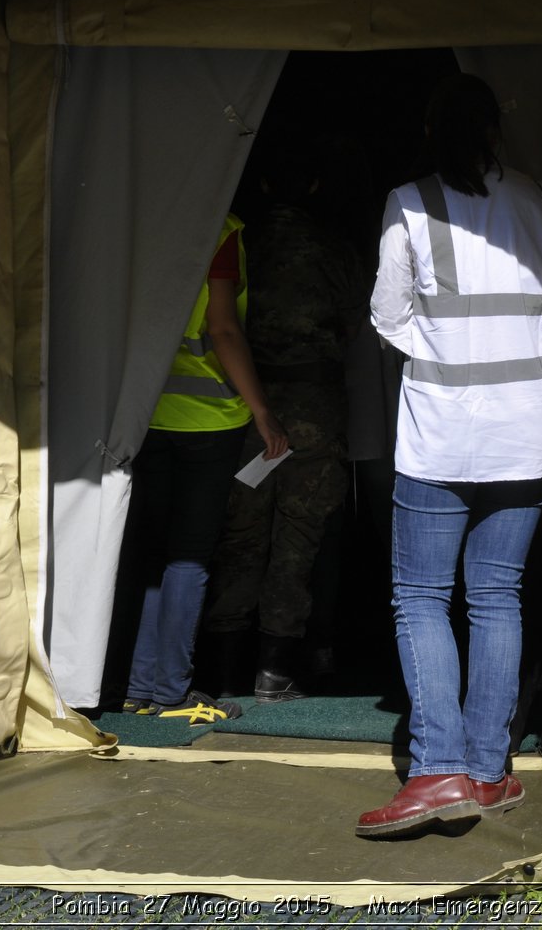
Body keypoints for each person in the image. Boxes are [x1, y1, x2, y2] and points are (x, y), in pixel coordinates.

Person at [356, 74, 542, 838]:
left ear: (430, 129)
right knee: (497, 597)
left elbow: (388, 316)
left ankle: (434, 769)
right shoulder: (540, 196)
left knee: (421, 597)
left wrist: (448, 357)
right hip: (526, 434)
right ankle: (487, 771)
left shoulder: (407, 202)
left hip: (442, 433)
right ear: (495, 129)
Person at [203, 149, 362, 702]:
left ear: (264, 183)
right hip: (315, 406)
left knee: (241, 532)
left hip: (245, 402)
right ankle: (275, 672)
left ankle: (222, 669)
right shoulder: (334, 247)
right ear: (316, 184)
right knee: (299, 536)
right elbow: (357, 322)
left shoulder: (239, 241)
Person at [119, 211, 288, 724]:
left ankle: (139, 689)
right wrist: (262, 411)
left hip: (144, 413)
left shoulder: (135, 219)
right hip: (208, 417)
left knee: (149, 556)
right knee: (188, 557)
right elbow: (222, 329)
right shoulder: (217, 227)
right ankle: (172, 693)